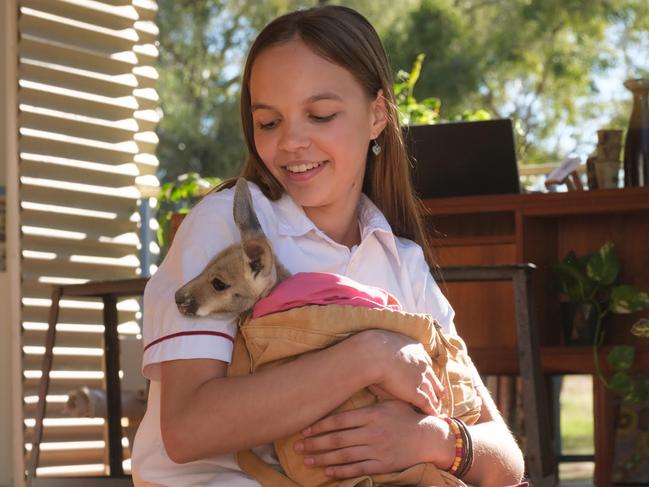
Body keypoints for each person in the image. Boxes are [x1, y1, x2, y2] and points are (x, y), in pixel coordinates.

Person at [131, 5, 525, 486]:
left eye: (319, 115)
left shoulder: (400, 260)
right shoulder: (228, 226)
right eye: (269, 123)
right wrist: (371, 356)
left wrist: (433, 440)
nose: (292, 141)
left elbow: (504, 457)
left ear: (378, 113)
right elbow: (187, 429)